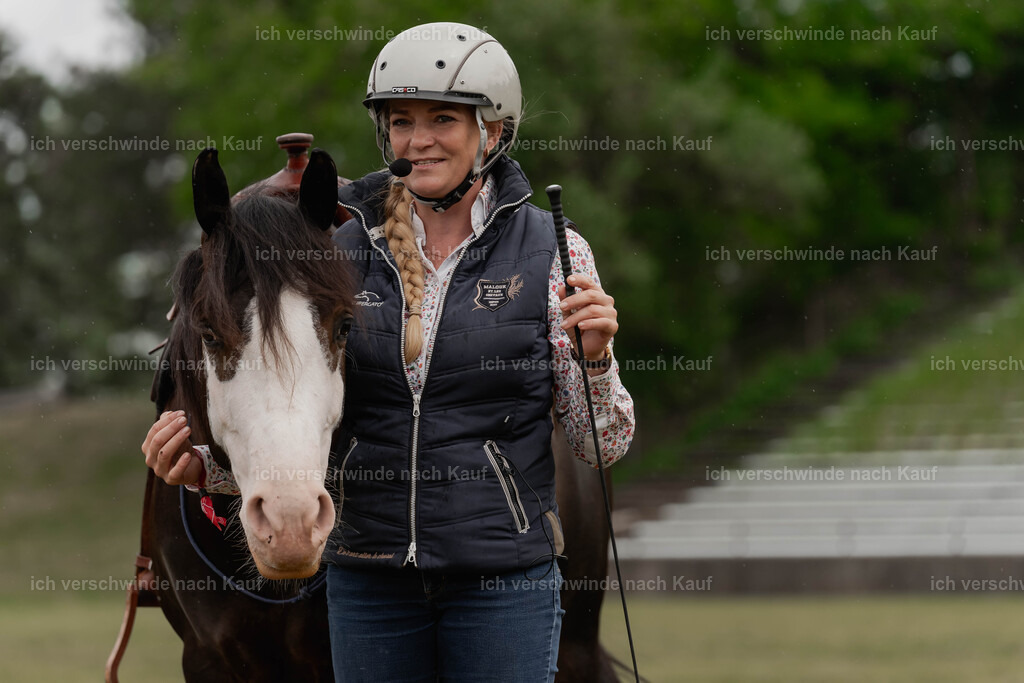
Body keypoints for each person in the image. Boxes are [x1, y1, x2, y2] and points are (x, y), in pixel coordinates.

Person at [141, 21, 634, 683]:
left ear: (492, 129)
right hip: (371, 583)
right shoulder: (336, 253)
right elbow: (317, 426)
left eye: (442, 119)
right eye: (401, 120)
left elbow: (600, 438)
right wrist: (206, 469)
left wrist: (596, 356)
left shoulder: (554, 250)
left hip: (503, 580)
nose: (419, 139)